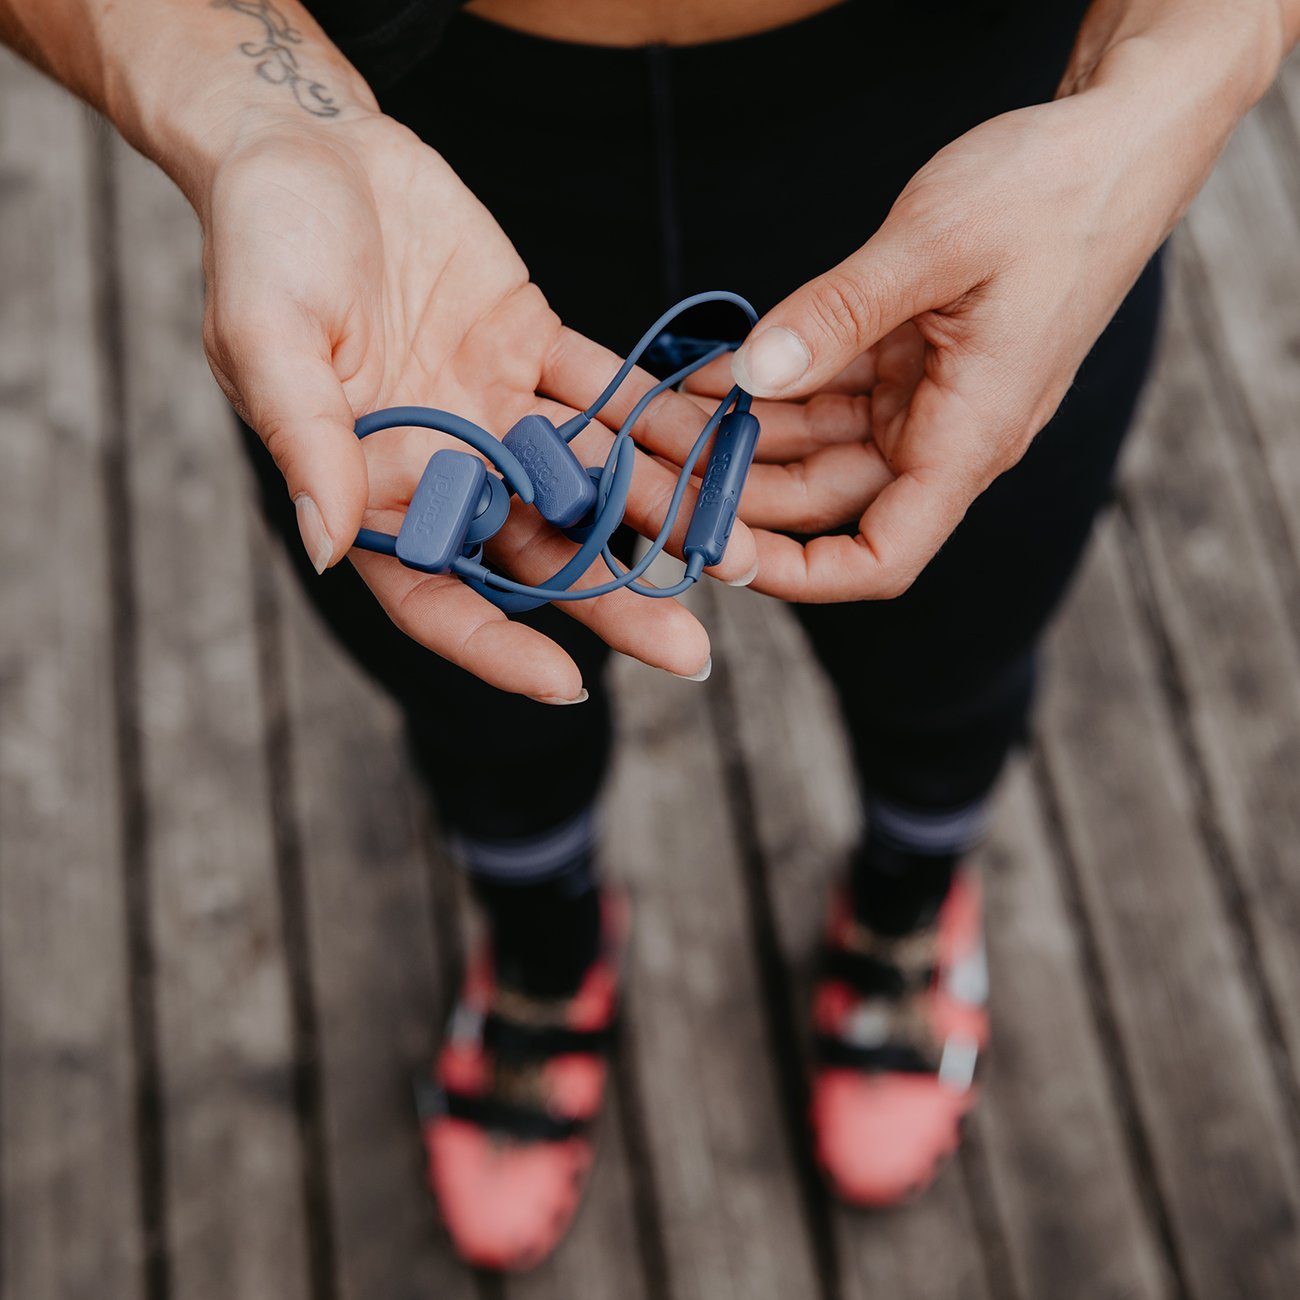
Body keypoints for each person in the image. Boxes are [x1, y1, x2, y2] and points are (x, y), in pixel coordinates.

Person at [3, 0, 1295, 1273]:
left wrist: (1168, 92)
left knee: (957, 644)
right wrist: (242, 103)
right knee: (475, 695)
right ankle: (545, 949)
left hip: (968, 148)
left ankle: (906, 901)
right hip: (400, 176)